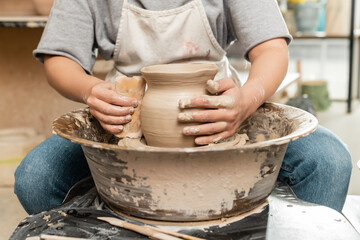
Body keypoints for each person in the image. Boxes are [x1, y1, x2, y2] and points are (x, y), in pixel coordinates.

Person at [15, 0, 352, 214]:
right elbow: (60, 58)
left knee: (329, 161)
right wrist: (91, 90)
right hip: (126, 116)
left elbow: (271, 49)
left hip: (220, 109)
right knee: (36, 177)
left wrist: (247, 100)